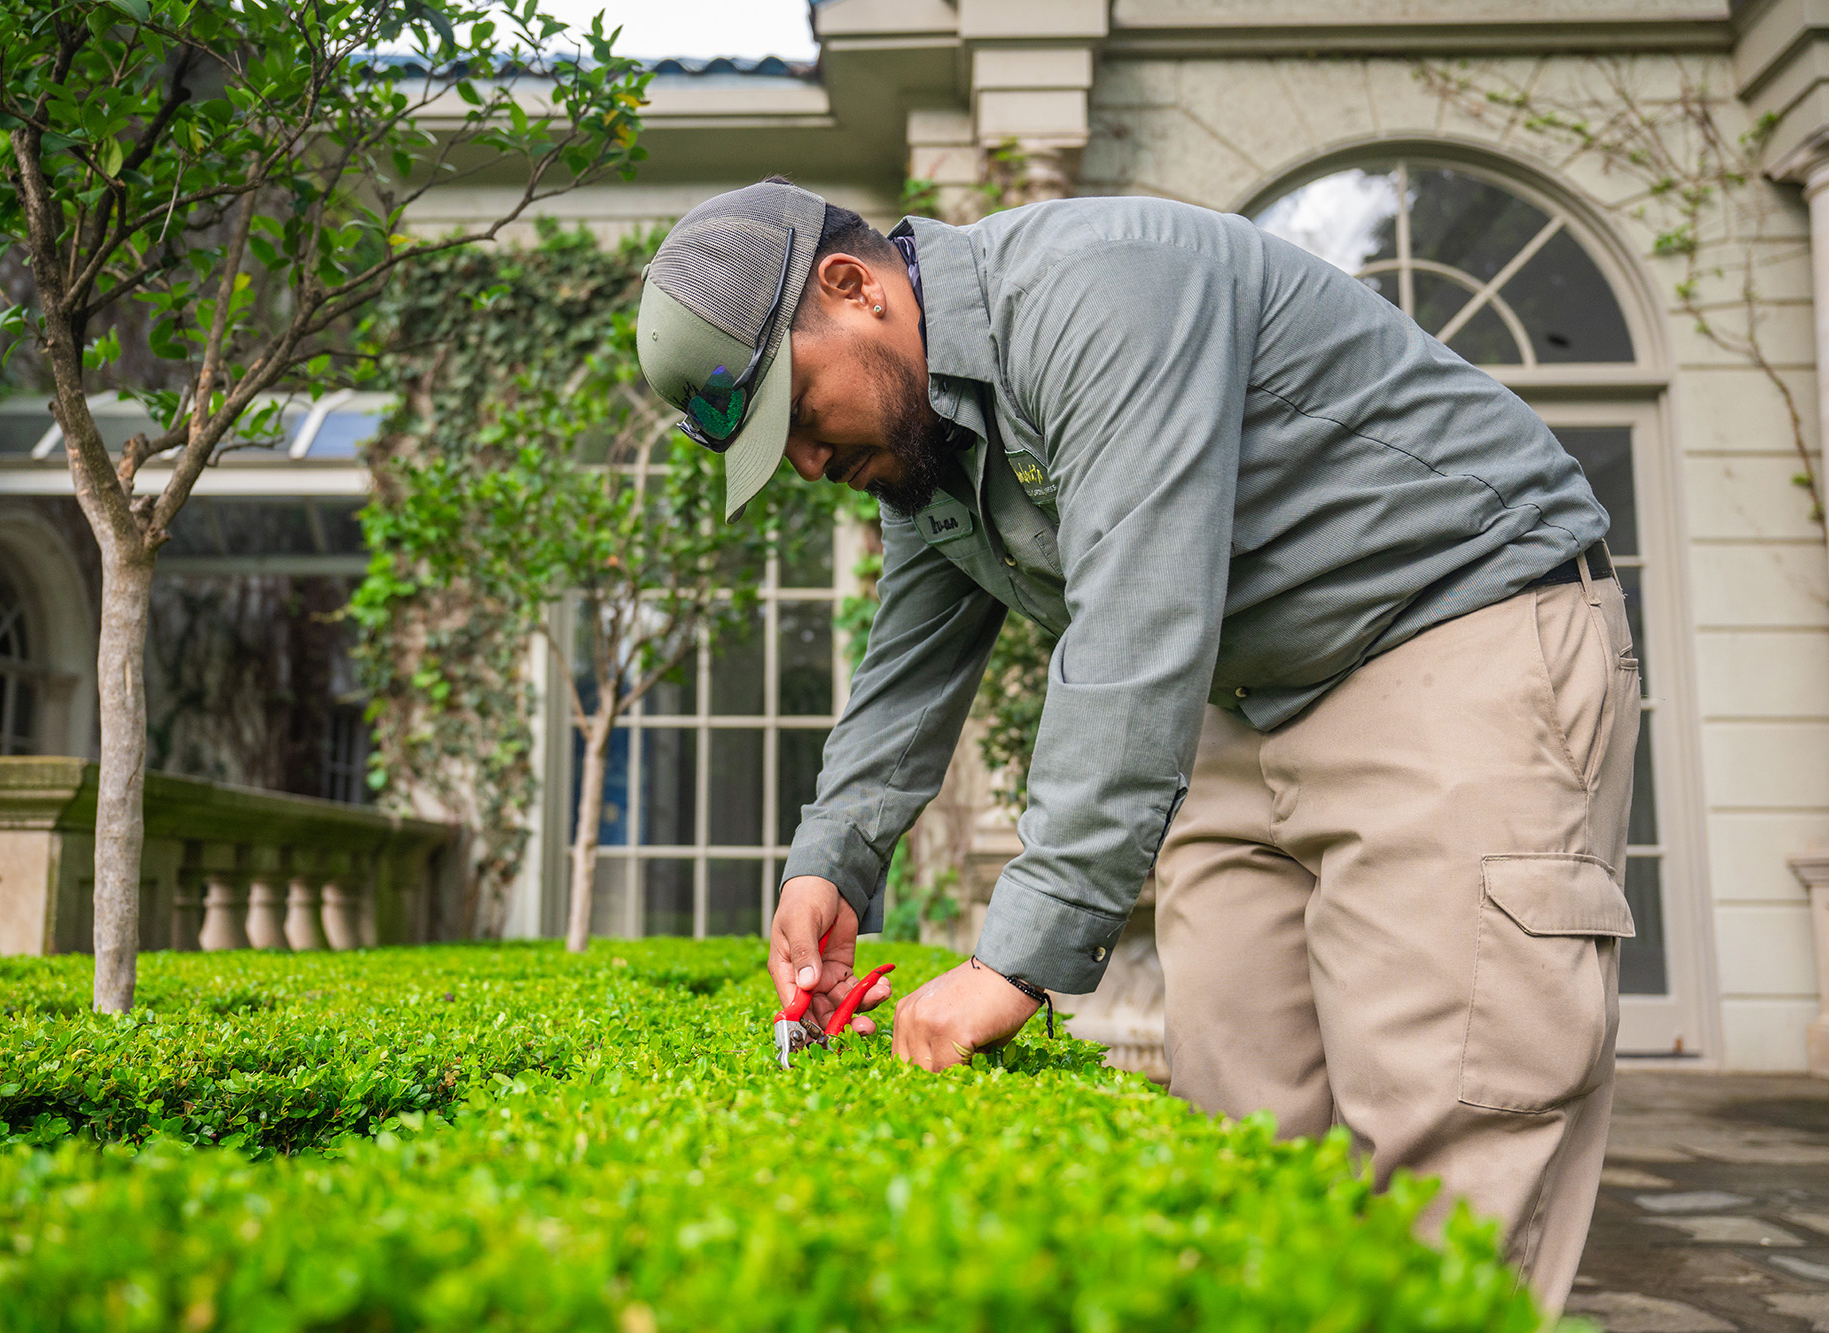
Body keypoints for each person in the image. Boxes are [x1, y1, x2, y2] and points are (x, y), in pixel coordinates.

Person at [633, 176, 1638, 1309]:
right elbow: (908, 666)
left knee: (1446, 1117)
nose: (809, 464)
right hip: (1247, 697)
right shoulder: (924, 447)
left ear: (853, 287)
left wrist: (1015, 962)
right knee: (1241, 1135)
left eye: (802, 415)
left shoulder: (1098, 286)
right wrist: (829, 865)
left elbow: (1137, 625)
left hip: (1454, 630)